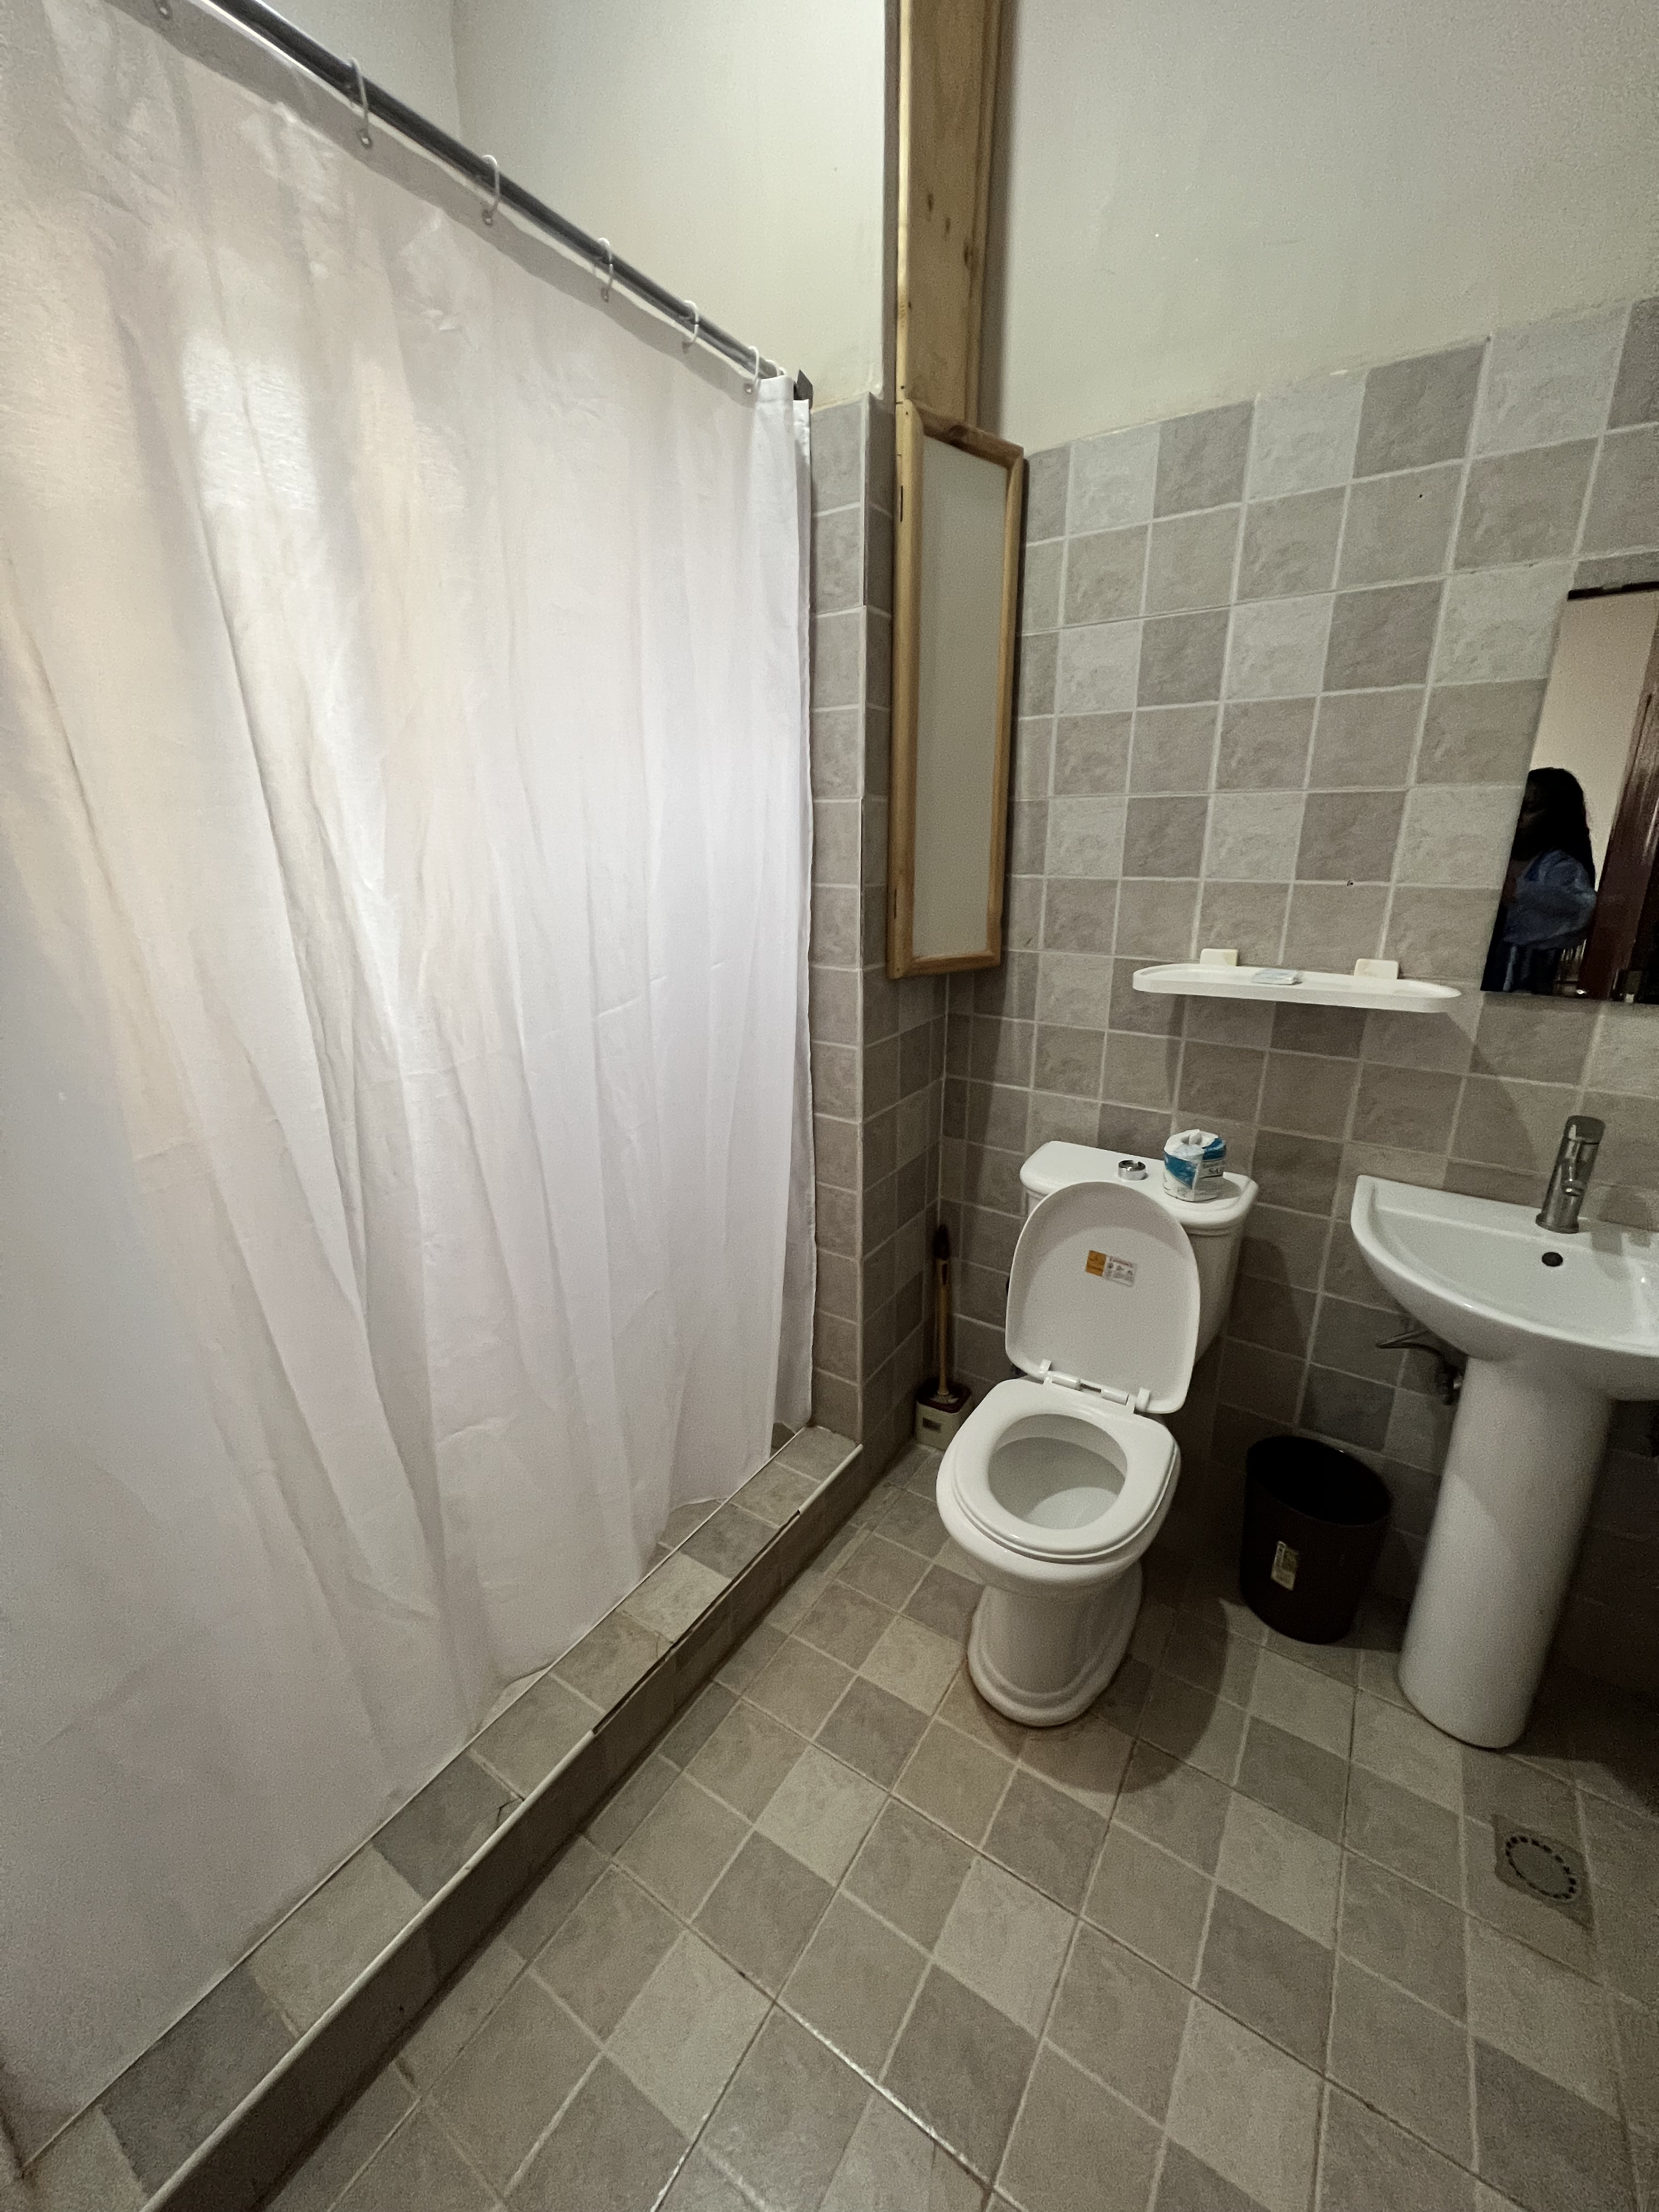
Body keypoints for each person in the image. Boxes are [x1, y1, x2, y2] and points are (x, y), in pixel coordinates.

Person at [1482, 767, 1598, 994]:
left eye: (1530, 808)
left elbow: (1579, 911)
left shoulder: (1561, 868)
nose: (1517, 816)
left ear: (1556, 816)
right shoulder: (1489, 855)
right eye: (1514, 804)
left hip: (1523, 990)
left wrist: (1517, 892)